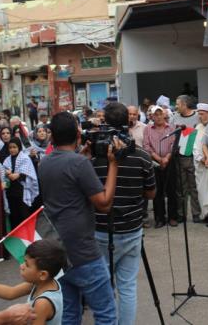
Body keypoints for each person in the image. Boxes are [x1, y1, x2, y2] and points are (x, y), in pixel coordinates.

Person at [38, 112, 119, 325]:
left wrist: (82, 157)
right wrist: (113, 165)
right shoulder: (79, 164)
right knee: (106, 313)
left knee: (69, 314)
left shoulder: (44, 163)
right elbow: (104, 204)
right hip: (82, 252)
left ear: (51, 137)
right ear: (78, 134)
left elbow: (67, 180)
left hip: (57, 250)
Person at [92, 103, 156, 325]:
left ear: (104, 123)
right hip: (130, 229)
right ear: (128, 123)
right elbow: (151, 193)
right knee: (128, 286)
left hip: (101, 229)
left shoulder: (94, 158)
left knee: (104, 285)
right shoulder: (142, 156)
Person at [0, 239, 67, 325]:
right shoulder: (43, 283)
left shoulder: (42, 303)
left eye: (27, 264)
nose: (21, 266)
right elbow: (11, 292)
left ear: (42, 275)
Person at [143, 106, 177, 228]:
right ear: (151, 117)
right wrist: (159, 159)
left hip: (169, 162)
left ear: (164, 115)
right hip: (155, 163)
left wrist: (166, 158)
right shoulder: (147, 129)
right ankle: (160, 218)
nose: (158, 117)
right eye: (155, 115)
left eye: (160, 114)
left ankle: (173, 217)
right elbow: (146, 146)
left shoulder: (171, 128)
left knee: (171, 190)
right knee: (158, 192)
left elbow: (174, 145)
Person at [171, 95, 201, 223]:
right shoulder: (174, 117)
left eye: (178, 104)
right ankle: (181, 214)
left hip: (193, 157)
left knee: (194, 186)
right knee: (181, 187)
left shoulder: (197, 117)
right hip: (179, 157)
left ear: (184, 104)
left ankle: (196, 214)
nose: (176, 106)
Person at [3, 141, 39, 228]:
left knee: (23, 215)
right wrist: (7, 173)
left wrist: (15, 174)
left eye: (14, 147)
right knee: (14, 217)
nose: (12, 149)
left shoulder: (25, 158)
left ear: (19, 147)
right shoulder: (7, 160)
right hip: (11, 192)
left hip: (22, 191)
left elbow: (26, 174)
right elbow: (5, 174)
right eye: (10, 147)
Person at [194, 104, 208, 223]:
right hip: (202, 166)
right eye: (199, 114)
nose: (200, 117)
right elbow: (195, 147)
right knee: (203, 191)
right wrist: (202, 159)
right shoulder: (198, 128)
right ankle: (206, 213)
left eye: (202, 114)